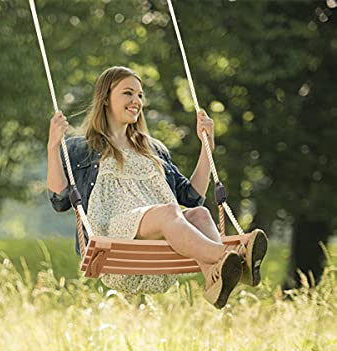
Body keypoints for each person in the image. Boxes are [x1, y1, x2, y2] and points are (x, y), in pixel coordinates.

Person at [47, 66, 267, 307]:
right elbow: (59, 200)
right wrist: (52, 147)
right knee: (169, 212)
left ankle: (213, 281)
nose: (136, 101)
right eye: (128, 93)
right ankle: (227, 258)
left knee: (200, 214)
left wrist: (207, 148)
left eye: (140, 95)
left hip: (158, 233)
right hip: (115, 234)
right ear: (106, 99)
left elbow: (192, 197)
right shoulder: (81, 148)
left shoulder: (153, 149)